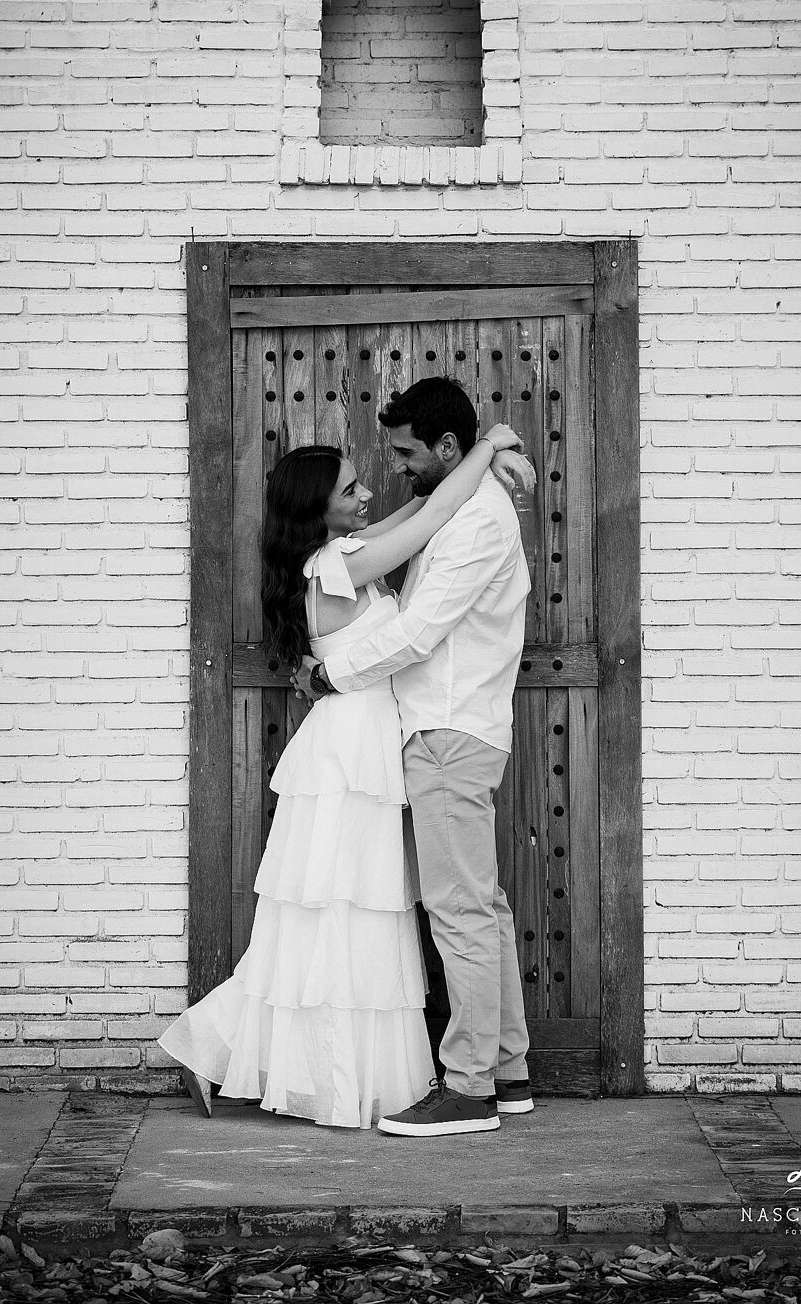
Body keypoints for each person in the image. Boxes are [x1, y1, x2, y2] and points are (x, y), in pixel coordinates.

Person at [157, 419, 530, 1130]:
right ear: (316, 508)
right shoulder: (333, 566)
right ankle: (265, 1057)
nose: (366, 495)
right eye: (350, 489)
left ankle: (222, 1046)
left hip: (365, 742)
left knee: (347, 907)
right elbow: (436, 514)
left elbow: (423, 508)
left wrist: (489, 458)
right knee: (337, 910)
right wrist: (489, 447)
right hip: (349, 751)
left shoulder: (345, 552)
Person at [294, 377, 534, 1139]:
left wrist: (333, 674)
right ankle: (506, 1068)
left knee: (460, 909)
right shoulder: (465, 505)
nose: (394, 467)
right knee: (481, 905)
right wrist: (499, 444)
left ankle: (467, 1089)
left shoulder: (474, 524)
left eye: (403, 452)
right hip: (452, 728)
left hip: (447, 734)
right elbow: (426, 510)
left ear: (445, 449)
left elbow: (420, 631)